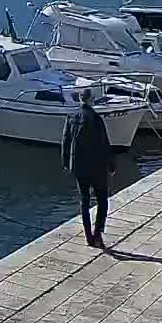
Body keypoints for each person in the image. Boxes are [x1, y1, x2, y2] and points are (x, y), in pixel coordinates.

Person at [61, 88, 114, 247]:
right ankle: (97, 234)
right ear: (91, 100)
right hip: (96, 166)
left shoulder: (71, 117)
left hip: (78, 166)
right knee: (102, 200)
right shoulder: (96, 119)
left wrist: (65, 162)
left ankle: (88, 236)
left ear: (79, 99)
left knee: (84, 201)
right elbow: (104, 144)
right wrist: (111, 166)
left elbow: (65, 142)